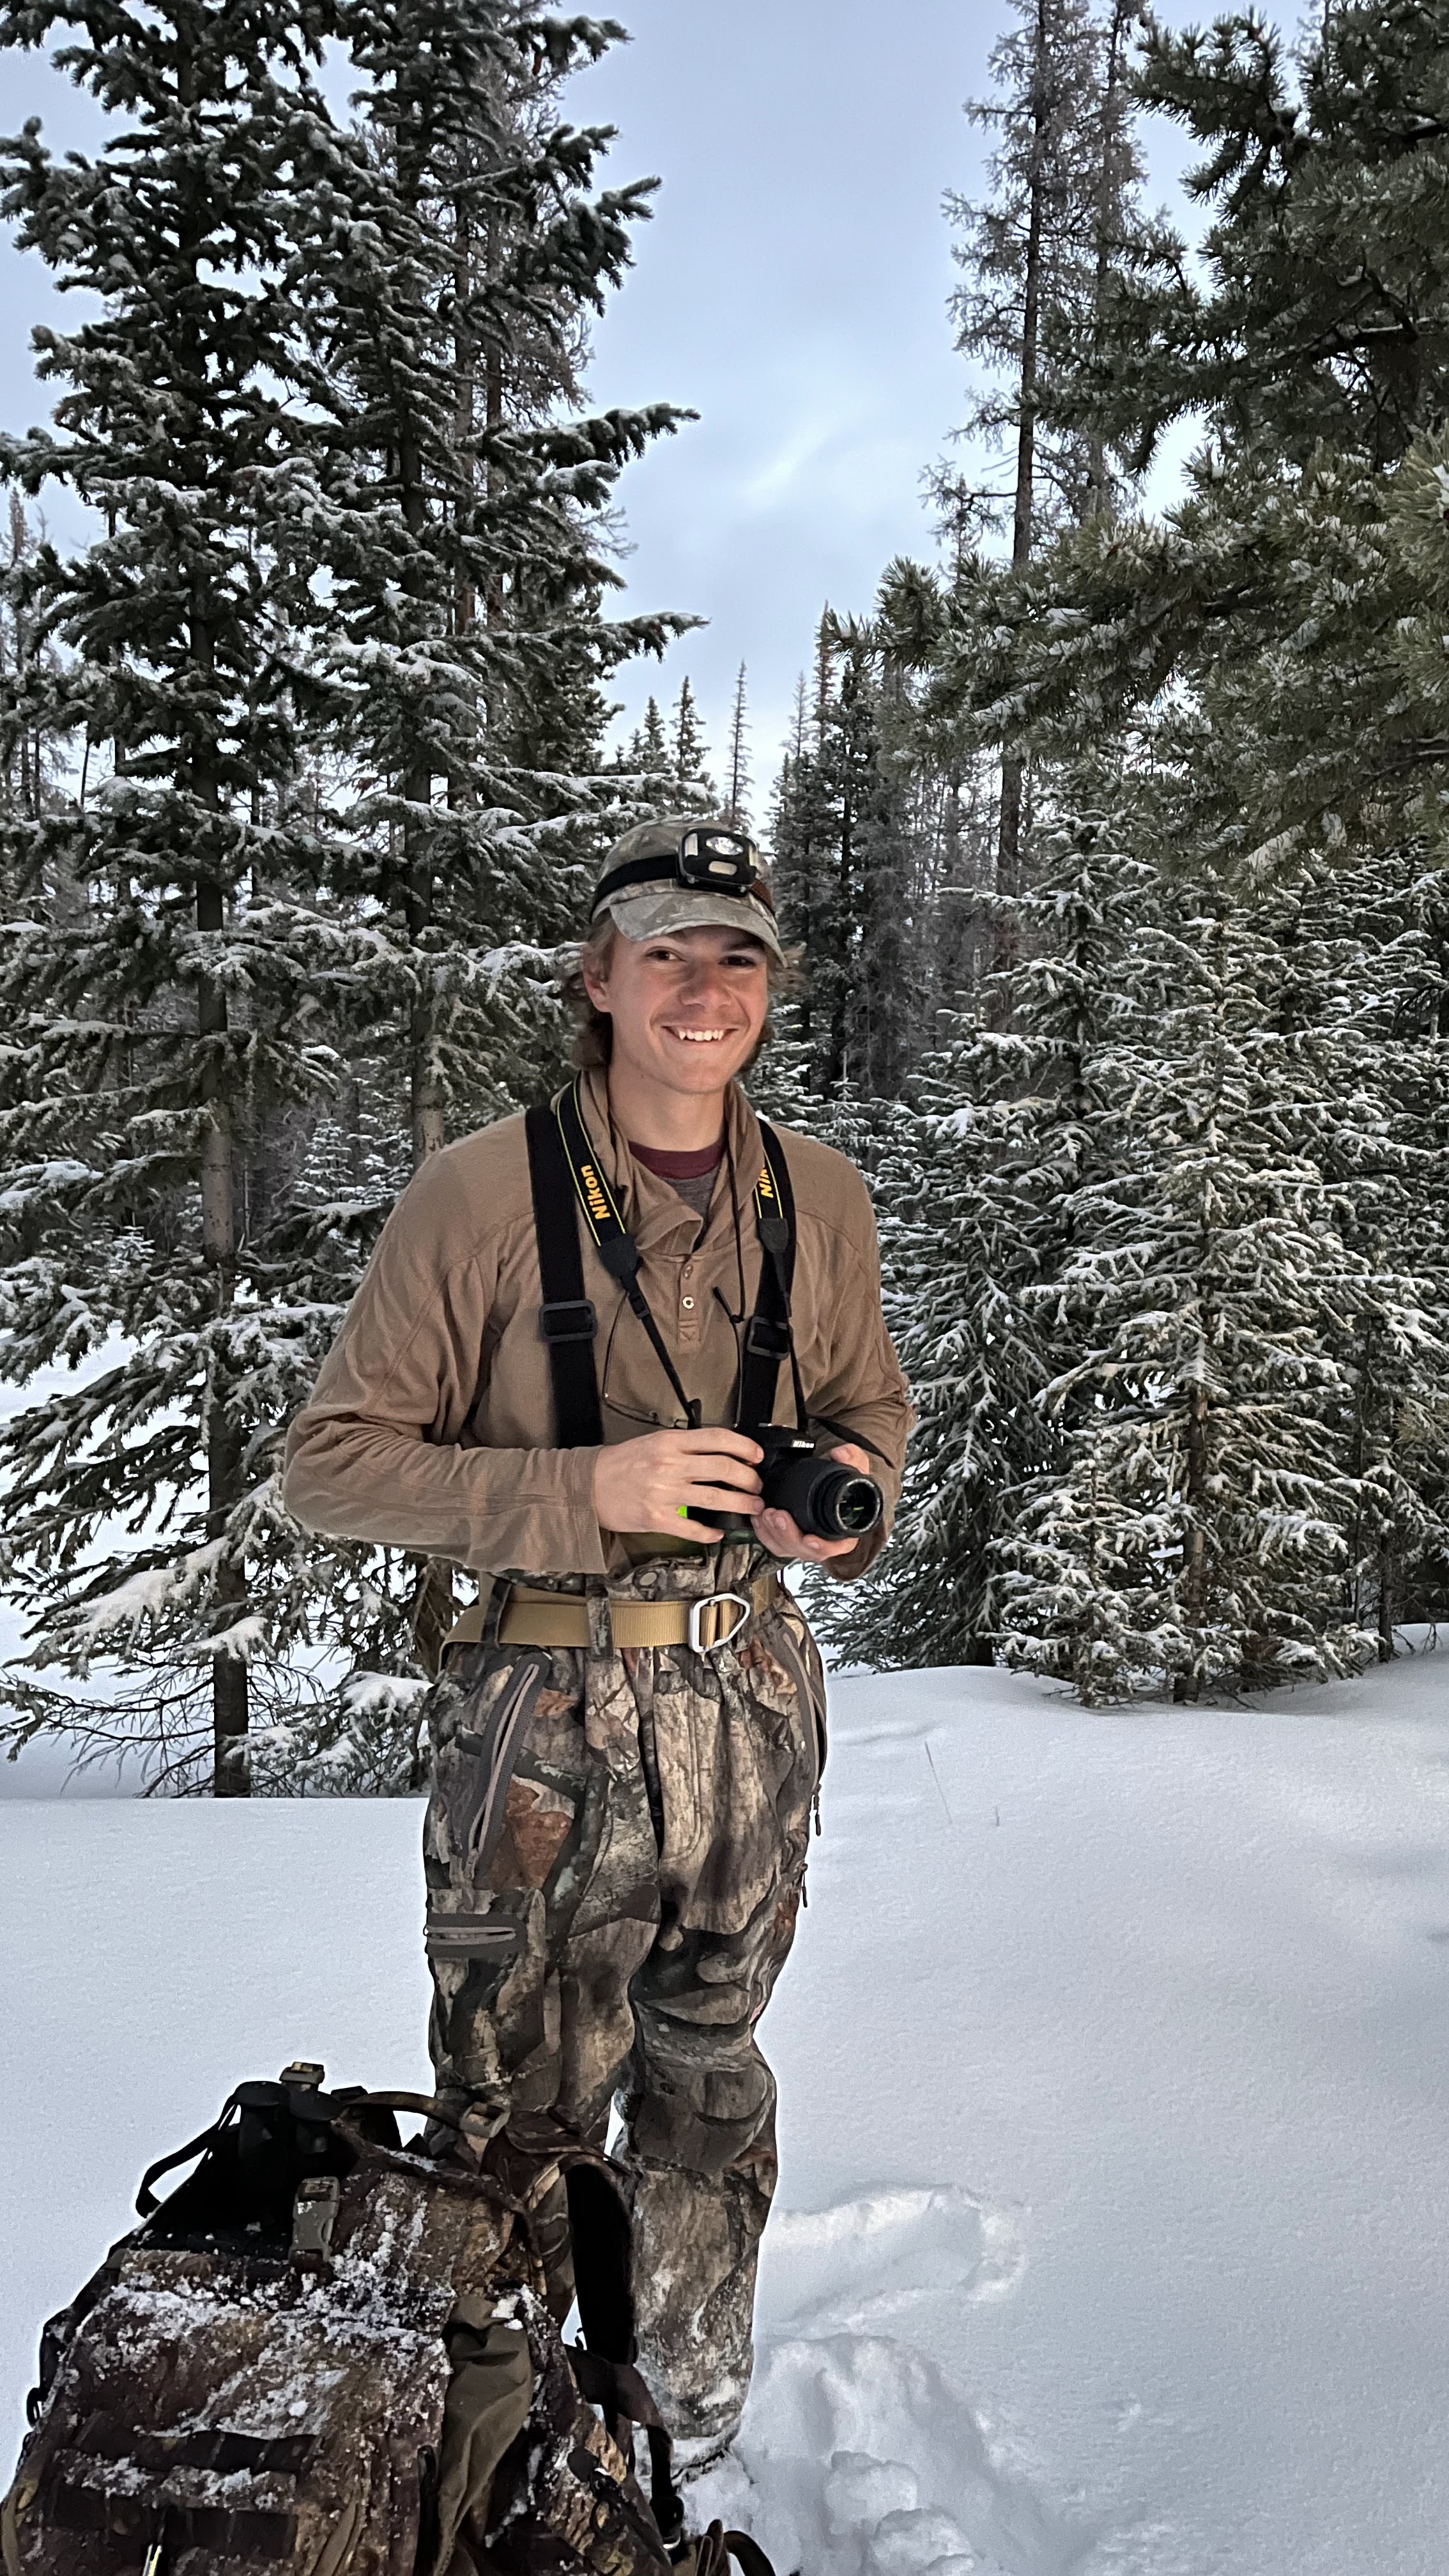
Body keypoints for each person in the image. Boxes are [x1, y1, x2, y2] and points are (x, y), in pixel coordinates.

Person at [282, 815, 912, 2476]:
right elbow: (329, 1467)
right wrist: (588, 1487)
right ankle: (515, 2450)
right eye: (667, 954)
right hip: (538, 1714)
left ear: (769, 988)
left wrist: (839, 1503)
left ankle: (683, 2428)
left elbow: (868, 1414)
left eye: (739, 957)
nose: (704, 990)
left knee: (713, 2070)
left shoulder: (816, 1200)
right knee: (516, 2120)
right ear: (600, 976)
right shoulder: (480, 1195)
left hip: (752, 1693)